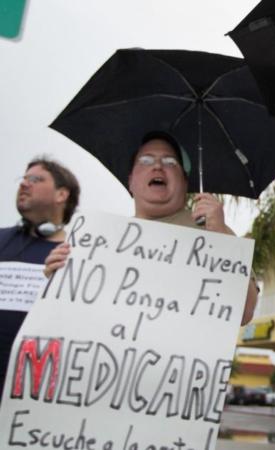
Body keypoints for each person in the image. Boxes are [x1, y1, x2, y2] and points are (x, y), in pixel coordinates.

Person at [45, 131, 259, 325]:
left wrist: (222, 239)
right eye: (146, 160)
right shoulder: (99, 243)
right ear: (130, 181)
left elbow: (245, 312)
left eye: (170, 162)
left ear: (185, 182)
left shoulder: (213, 230)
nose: (157, 166)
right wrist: (59, 279)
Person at [0, 157, 80, 399]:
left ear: (61, 194)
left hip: (33, 392)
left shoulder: (76, 254)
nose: (24, 184)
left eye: (35, 179)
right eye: (23, 178)